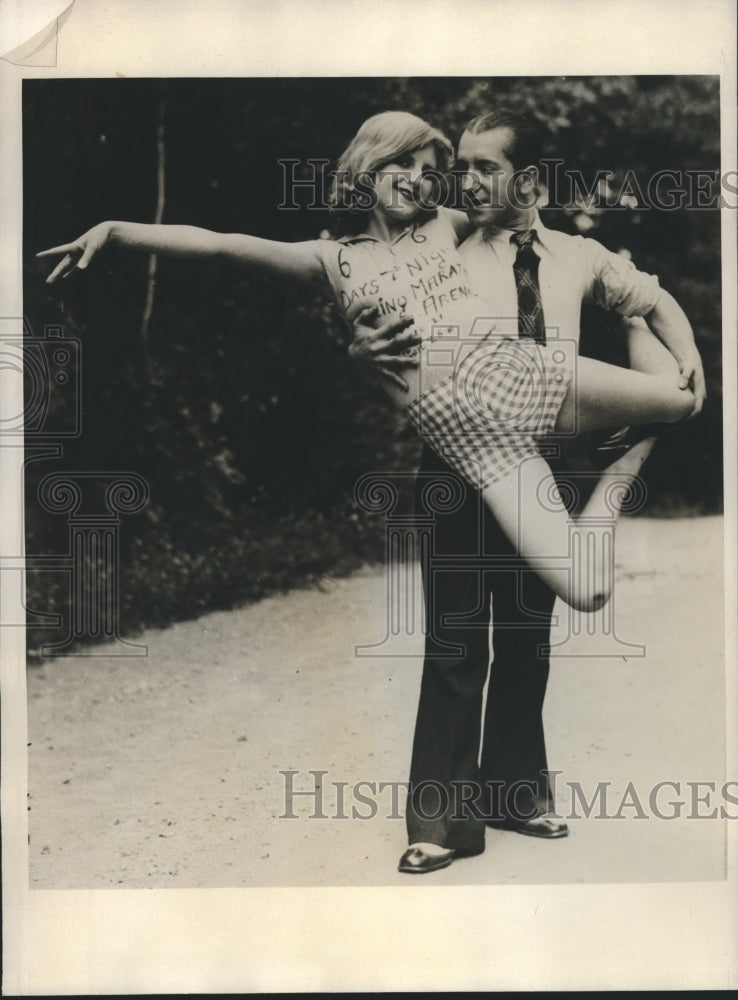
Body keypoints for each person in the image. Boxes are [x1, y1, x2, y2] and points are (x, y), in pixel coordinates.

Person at [37, 111, 701, 619]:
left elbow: (522, 209)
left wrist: (629, 292)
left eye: (429, 167)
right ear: (368, 168)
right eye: (404, 164)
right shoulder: (335, 258)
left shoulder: (452, 225)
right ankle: (627, 462)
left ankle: (636, 329)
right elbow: (221, 246)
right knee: (587, 590)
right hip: (474, 444)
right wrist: (118, 231)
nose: (421, 177)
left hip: (519, 375)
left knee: (679, 396)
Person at [346, 109, 705, 874]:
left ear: (530, 181)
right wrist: (358, 341)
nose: (464, 181)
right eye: (461, 166)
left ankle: (516, 794)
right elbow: (366, 273)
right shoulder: (439, 237)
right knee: (453, 639)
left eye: (484, 167)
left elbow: (650, 299)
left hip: (546, 463)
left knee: (526, 640)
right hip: (460, 460)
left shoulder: (578, 255)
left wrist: (690, 351)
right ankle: (438, 824)